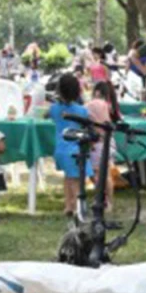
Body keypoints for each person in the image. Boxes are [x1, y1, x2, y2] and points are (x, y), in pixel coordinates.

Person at [49, 73, 92, 217]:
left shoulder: (54, 109)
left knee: (68, 178)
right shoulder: (82, 110)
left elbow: (46, 114)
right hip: (75, 150)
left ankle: (69, 205)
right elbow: (88, 126)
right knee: (77, 182)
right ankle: (80, 208)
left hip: (60, 149)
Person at [86, 80, 120, 207]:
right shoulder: (110, 106)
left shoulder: (91, 105)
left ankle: (103, 199)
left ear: (97, 92)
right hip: (109, 142)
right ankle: (107, 200)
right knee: (105, 174)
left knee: (95, 173)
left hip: (97, 144)